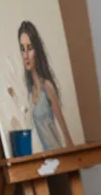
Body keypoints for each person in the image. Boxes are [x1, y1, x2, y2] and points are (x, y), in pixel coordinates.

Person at [18, 20, 73, 151]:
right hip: (46, 156)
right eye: (22, 49)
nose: (25, 55)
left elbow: (65, 134)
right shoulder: (31, 91)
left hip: (58, 154)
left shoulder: (47, 86)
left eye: (29, 48)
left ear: (37, 50)